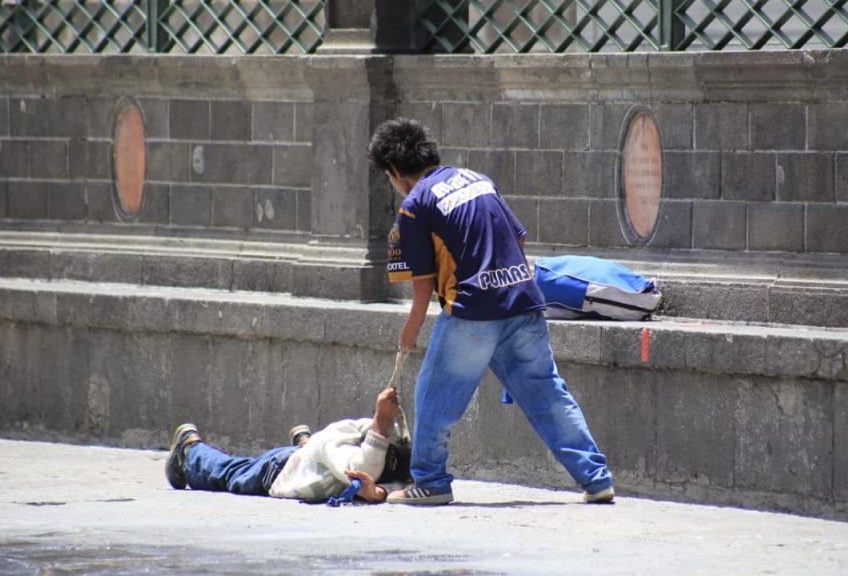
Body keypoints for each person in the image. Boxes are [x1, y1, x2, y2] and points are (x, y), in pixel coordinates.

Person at [367, 117, 615, 506]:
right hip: (523, 301)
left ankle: (430, 482)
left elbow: (422, 284)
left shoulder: (416, 205)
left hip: (472, 312)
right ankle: (596, 478)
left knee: (433, 396)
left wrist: (409, 333)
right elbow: (518, 236)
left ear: (396, 173)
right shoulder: (478, 180)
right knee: (548, 394)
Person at [164, 386, 411, 503]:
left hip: (312, 462)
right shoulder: (342, 439)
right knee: (232, 474)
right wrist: (381, 420)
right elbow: (363, 470)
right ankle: (190, 452)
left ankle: (304, 446)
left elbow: (400, 485)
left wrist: (378, 492)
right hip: (279, 469)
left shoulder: (398, 452)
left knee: (310, 453)